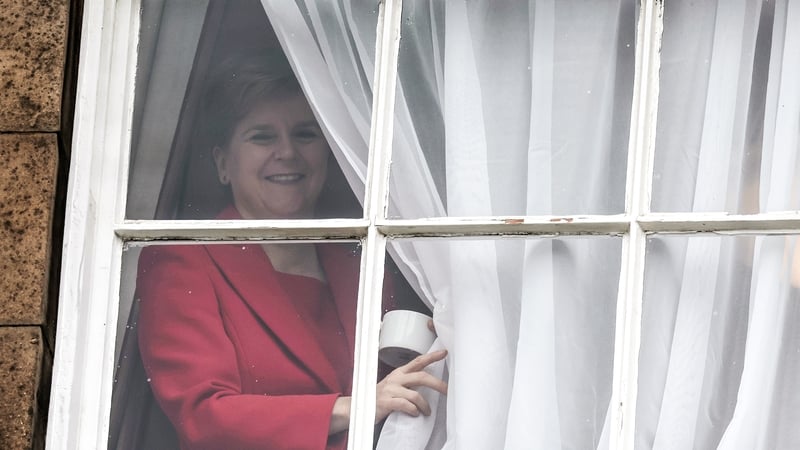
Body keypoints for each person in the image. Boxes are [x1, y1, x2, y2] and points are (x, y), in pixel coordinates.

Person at [135, 49, 447, 450]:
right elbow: (204, 417)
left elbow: (401, 387)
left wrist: (440, 342)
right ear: (223, 164)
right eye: (262, 136)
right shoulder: (185, 259)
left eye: (305, 134)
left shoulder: (366, 260)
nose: (287, 152)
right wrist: (355, 406)